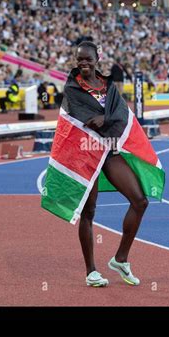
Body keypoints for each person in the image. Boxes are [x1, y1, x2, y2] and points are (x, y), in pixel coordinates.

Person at [64, 41, 150, 287]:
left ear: (96, 59)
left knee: (140, 201)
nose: (83, 63)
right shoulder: (72, 87)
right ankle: (91, 271)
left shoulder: (107, 85)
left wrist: (106, 118)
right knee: (89, 212)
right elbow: (84, 119)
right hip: (85, 154)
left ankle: (121, 259)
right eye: (79, 59)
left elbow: (122, 114)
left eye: (88, 59)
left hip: (109, 151)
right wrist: (104, 118)